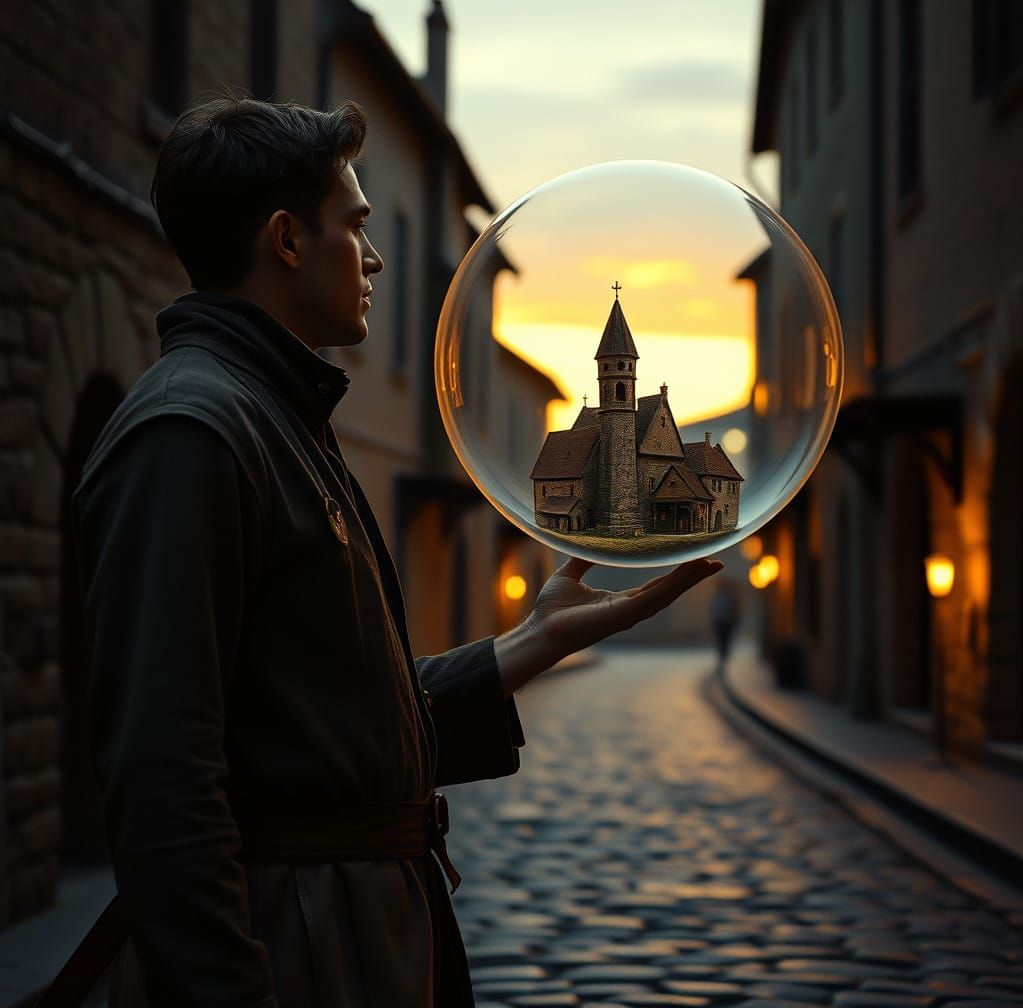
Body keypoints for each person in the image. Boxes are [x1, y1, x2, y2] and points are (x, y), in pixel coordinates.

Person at [71, 96, 723, 1007]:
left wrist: (526, 645)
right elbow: (163, 782)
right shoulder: (194, 433)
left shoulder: (274, 414)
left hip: (348, 934)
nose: (375, 258)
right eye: (358, 226)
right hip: (298, 946)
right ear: (288, 240)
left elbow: (323, 725)